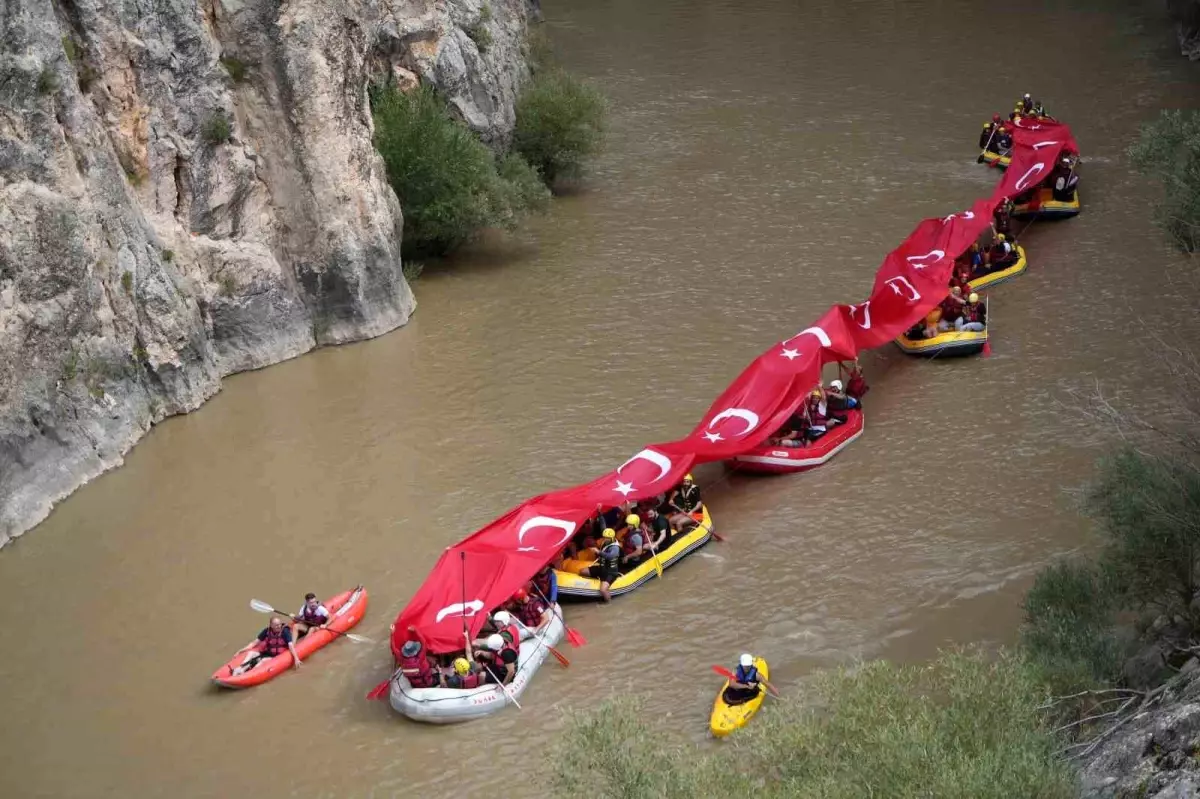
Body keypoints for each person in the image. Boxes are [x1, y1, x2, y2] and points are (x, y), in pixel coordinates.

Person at [232, 615, 302, 674]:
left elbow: (290, 645)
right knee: (251, 653)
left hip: (277, 655)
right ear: (271, 625)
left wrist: (296, 658)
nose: (279, 626)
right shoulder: (266, 631)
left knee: (263, 660)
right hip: (267, 652)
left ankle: (249, 673)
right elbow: (254, 643)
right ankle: (241, 668)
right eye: (276, 625)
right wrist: (240, 651)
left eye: (279, 624)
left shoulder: (285, 631)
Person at [581, 528, 622, 601]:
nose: (605, 539)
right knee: (583, 571)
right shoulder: (604, 543)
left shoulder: (615, 547)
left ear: (612, 538)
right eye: (604, 537)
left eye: (607, 538)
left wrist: (598, 552)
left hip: (610, 572)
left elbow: (610, 556)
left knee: (603, 590)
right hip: (602, 568)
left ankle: (609, 604)